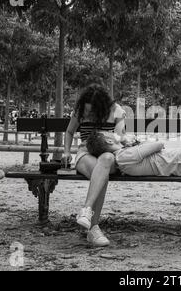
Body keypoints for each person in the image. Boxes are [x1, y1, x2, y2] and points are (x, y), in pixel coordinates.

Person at [61, 85, 127, 247]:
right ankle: (94, 228)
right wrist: (66, 151)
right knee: (101, 175)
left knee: (105, 160)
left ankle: (87, 210)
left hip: (108, 152)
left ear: (102, 107)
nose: (88, 114)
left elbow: (119, 137)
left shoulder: (116, 111)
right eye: (87, 112)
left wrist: (107, 138)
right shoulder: (80, 110)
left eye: (92, 112)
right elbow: (70, 131)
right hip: (85, 153)